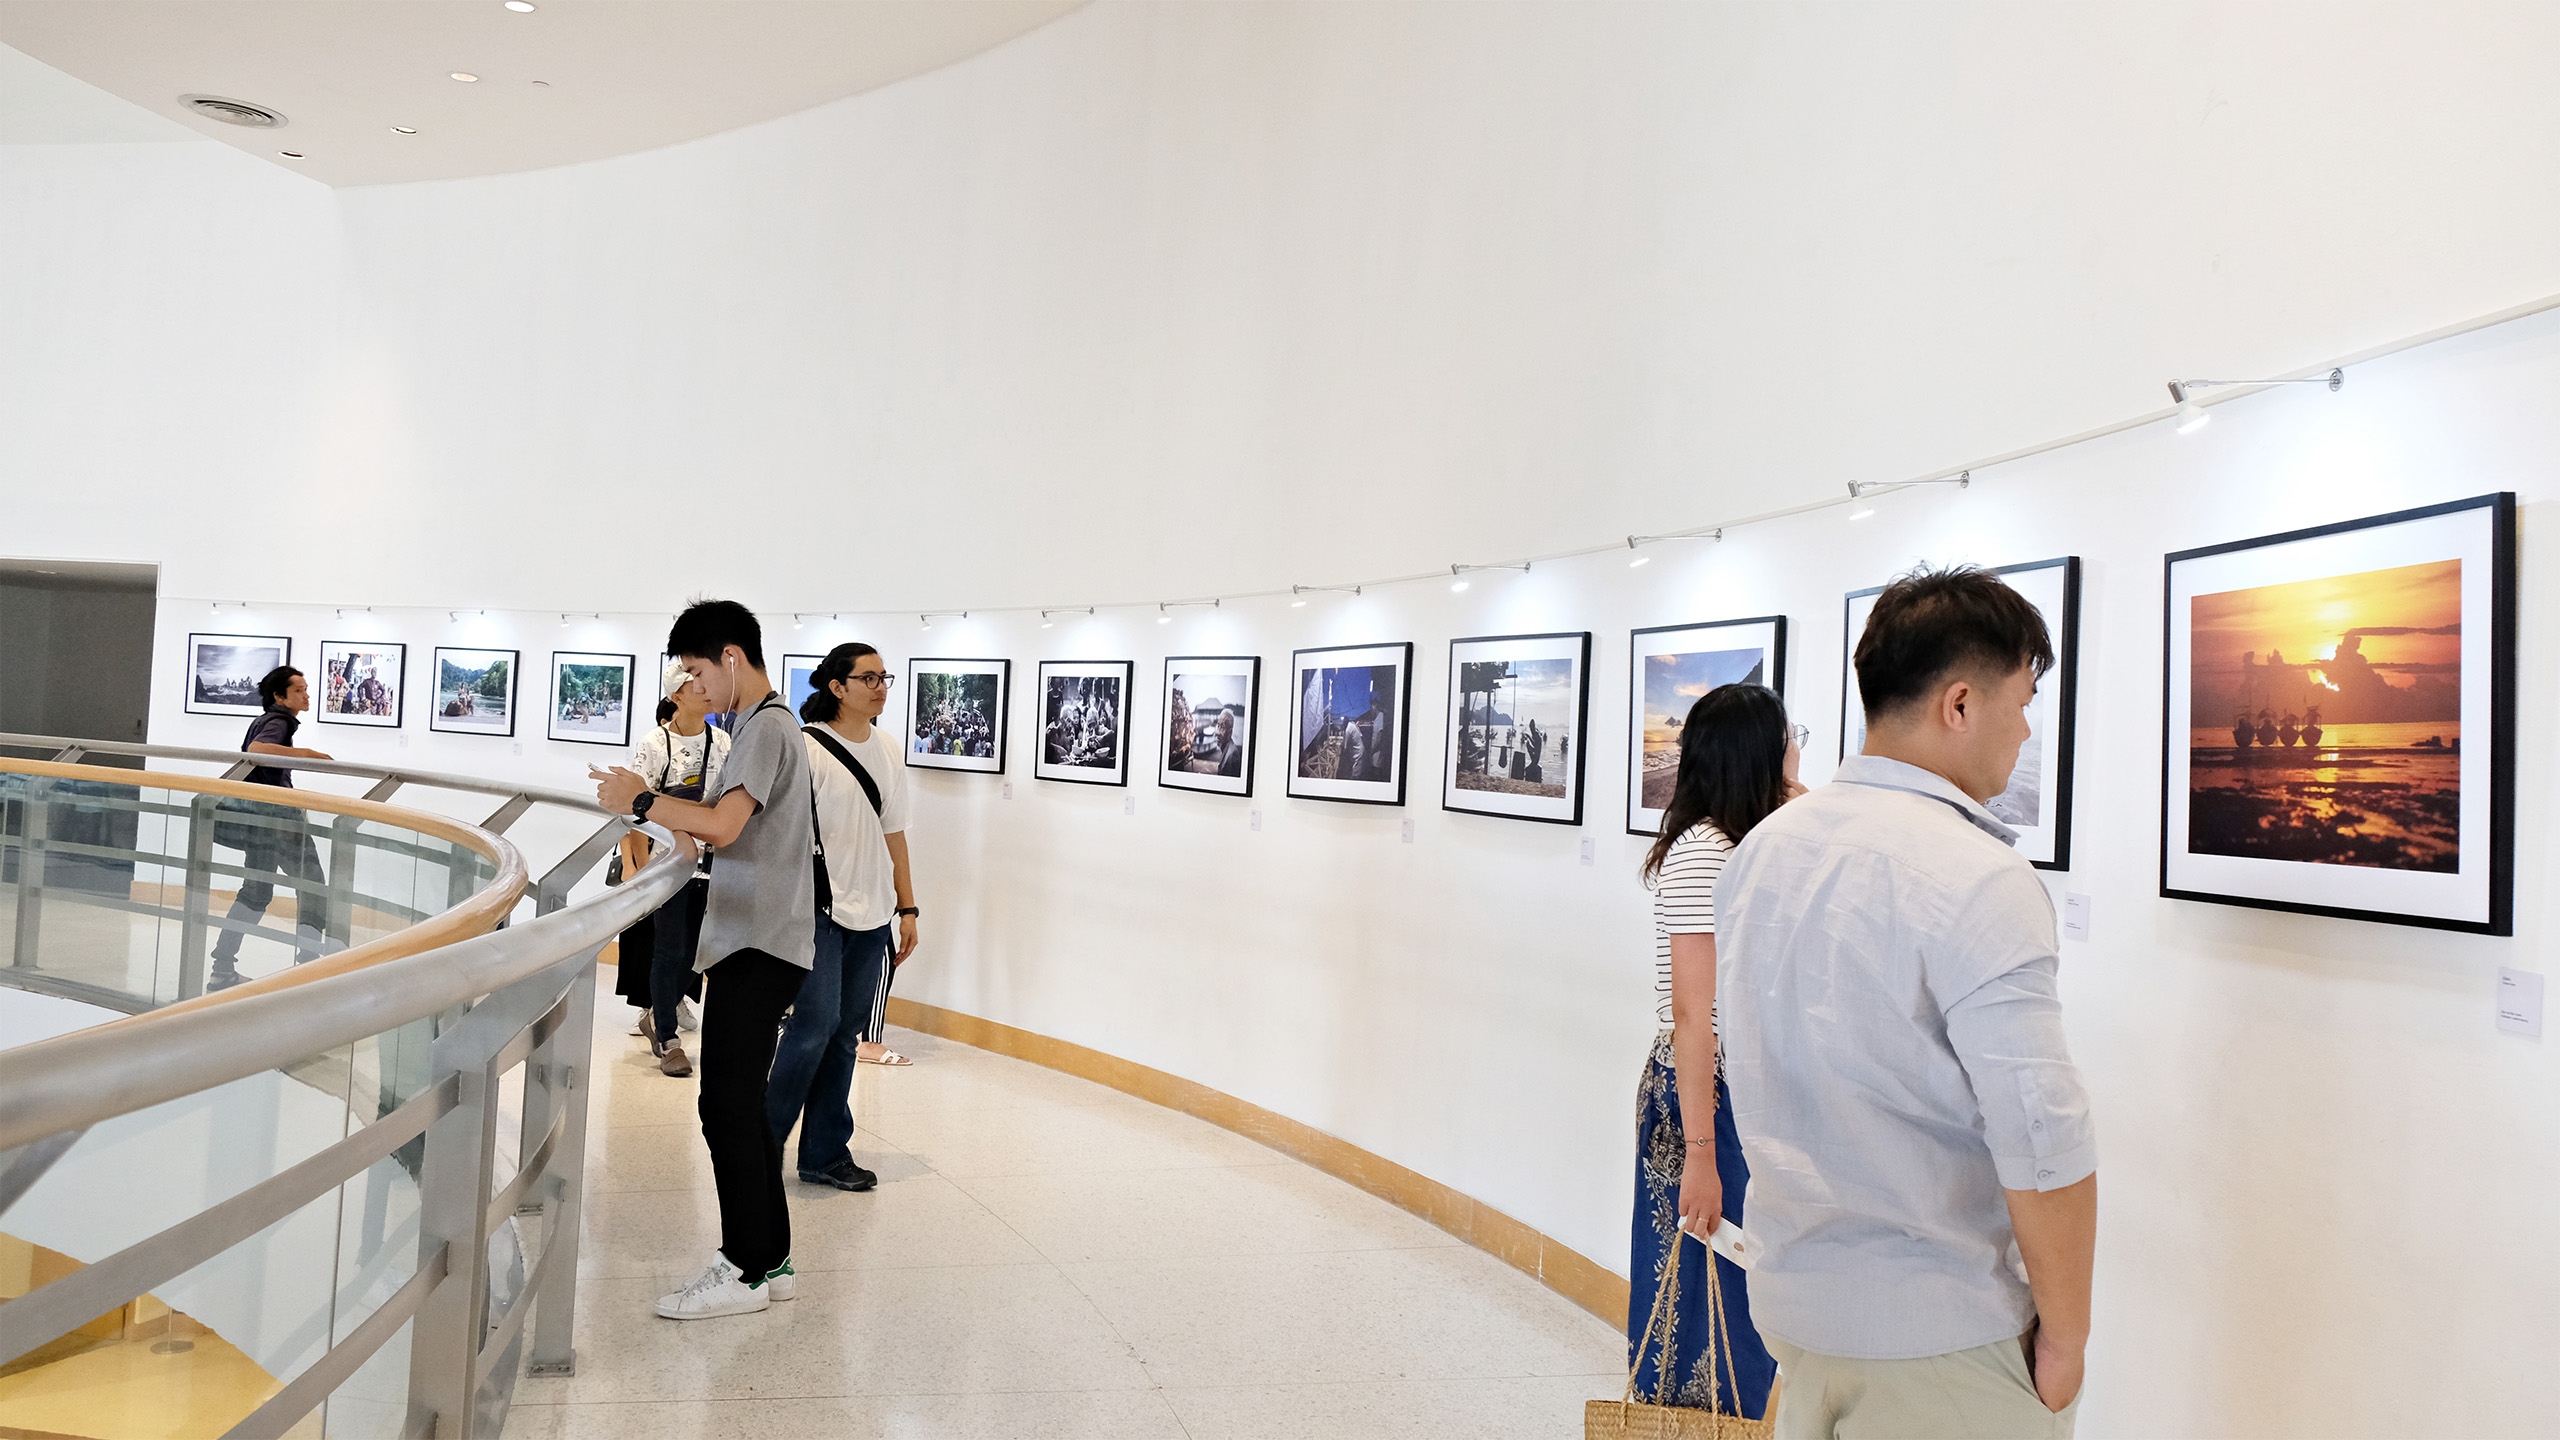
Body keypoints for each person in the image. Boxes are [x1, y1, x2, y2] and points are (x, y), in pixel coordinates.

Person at [1718, 566, 2095, 1436]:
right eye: (2024, 699)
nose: (2028, 728)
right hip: (1941, 1335)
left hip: (1795, 1306)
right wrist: (2068, 1337)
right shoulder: (1978, 877)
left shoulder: (1766, 849)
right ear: (1959, 704)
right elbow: (2043, 1137)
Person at [592, 598, 813, 1321]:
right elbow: (716, 835)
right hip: (752, 936)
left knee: (724, 1107)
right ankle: (771, 1260)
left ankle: (743, 1268)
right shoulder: (751, 727)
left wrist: (644, 797)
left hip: (760, 940)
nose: (694, 687)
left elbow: (721, 822)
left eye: (696, 670)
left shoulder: (765, 728)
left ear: (730, 656)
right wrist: (647, 814)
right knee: (739, 1108)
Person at [1629, 683, 1797, 1420]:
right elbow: (1698, 1017)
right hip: (1703, 1094)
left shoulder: (1748, 844)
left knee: (1736, 1285)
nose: (1799, 750)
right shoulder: (1705, 853)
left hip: (1732, 1092)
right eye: (1790, 737)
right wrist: (1701, 1152)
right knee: (1701, 1289)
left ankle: (1737, 1423)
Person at [768, 643, 923, 1189]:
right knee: (811, 1028)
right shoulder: (807, 749)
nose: (881, 687)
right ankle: (762, 1146)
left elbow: (895, 832)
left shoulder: (886, 747)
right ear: (837, 687)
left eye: (885, 677)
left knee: (845, 1035)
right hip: (819, 910)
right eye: (869, 678)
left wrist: (908, 907)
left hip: (874, 911)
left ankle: (825, 1153)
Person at [619, 667, 729, 1076]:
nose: (704, 690)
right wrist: (638, 866)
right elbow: (634, 809)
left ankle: (659, 1014)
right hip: (670, 864)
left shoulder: (722, 741)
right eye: (693, 684)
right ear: (676, 695)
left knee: (698, 953)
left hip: (714, 862)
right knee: (670, 948)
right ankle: (667, 1037)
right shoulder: (654, 743)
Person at [208, 666, 336, 990]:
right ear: (280, 696)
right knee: (314, 889)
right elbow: (259, 751)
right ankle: (306, 972)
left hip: (261, 818)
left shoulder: (265, 720)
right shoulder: (278, 721)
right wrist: (307, 754)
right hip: (279, 819)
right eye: (299, 690)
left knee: (255, 891)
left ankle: (222, 967)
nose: (306, 695)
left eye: (306, 689)